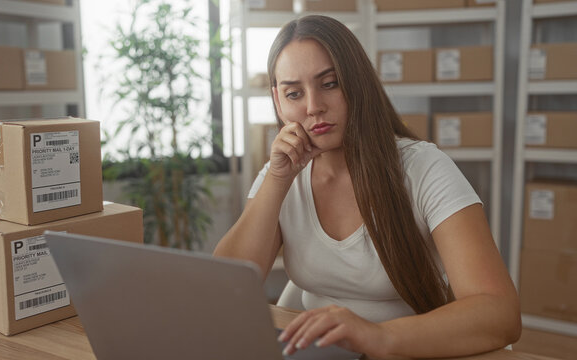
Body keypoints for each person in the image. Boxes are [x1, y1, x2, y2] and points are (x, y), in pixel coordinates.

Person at [213, 15, 521, 359]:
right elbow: (223, 288)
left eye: (329, 83)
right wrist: (277, 180)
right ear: (278, 100)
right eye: (294, 93)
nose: (313, 106)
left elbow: (500, 314)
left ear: (358, 83)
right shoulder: (282, 174)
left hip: (408, 349)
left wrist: (377, 337)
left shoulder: (424, 168)